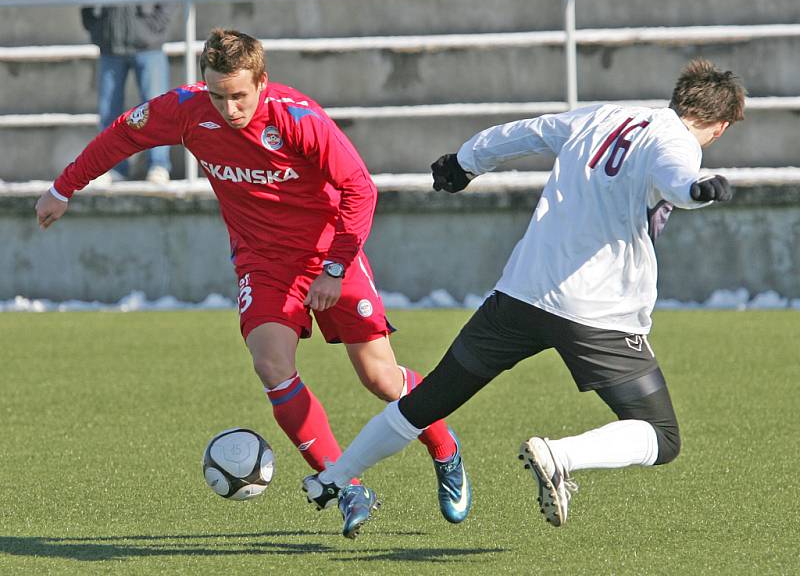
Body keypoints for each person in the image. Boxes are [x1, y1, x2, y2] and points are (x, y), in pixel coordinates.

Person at [34, 28, 471, 538]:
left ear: (262, 82)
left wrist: (333, 268)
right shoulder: (187, 108)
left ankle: (445, 448)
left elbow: (359, 188)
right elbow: (122, 135)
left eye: (239, 95)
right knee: (270, 363)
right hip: (263, 262)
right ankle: (345, 485)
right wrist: (63, 187)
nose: (228, 108)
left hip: (329, 253)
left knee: (380, 378)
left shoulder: (296, 116)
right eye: (218, 95)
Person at [303, 58, 745, 533]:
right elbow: (677, 176)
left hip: (519, 295)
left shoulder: (603, 115)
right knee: (662, 437)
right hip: (596, 312)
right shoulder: (677, 139)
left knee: (429, 398)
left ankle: (335, 475)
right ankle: (560, 456)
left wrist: (464, 162)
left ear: (678, 97)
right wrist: (697, 190)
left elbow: (528, 131)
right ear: (719, 127)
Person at [80, 0, 181, 184]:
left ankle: (159, 165)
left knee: (157, 109)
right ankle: (115, 168)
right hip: (110, 46)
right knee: (109, 111)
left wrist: (152, 29)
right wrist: (97, 28)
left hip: (148, 47)